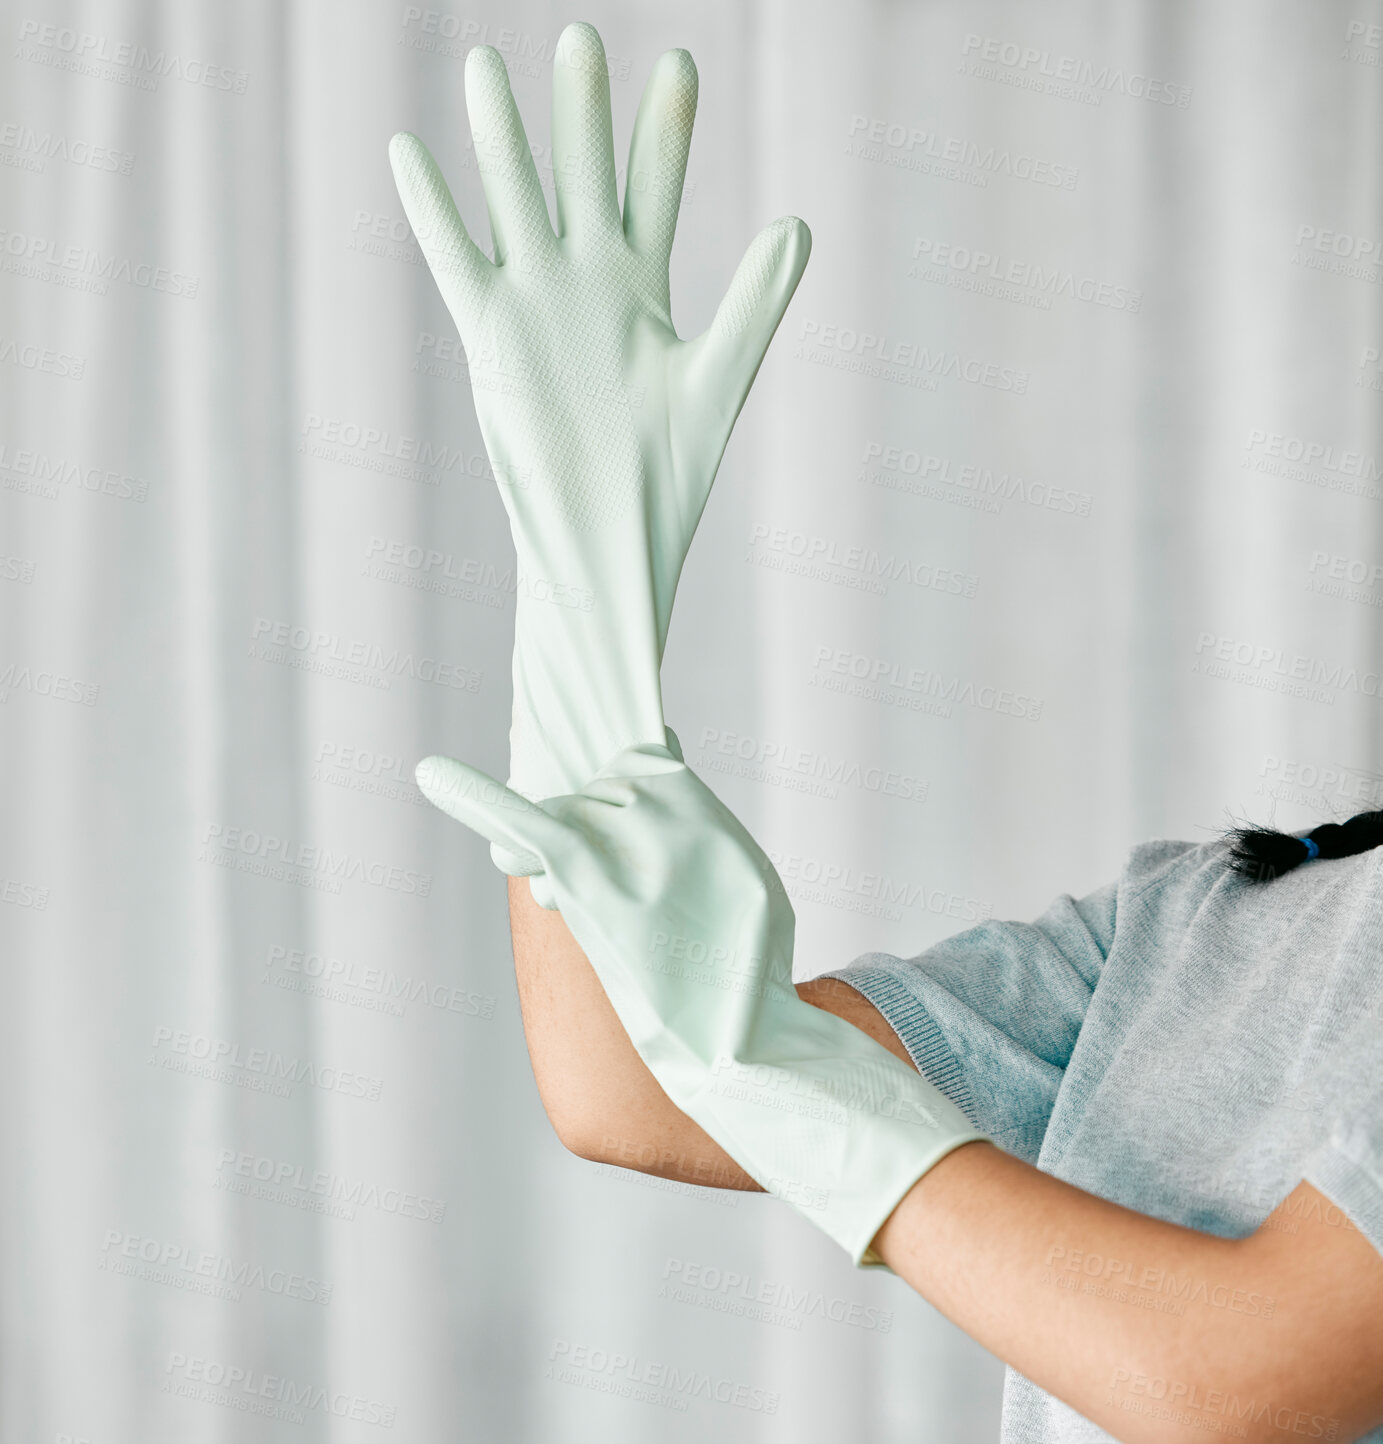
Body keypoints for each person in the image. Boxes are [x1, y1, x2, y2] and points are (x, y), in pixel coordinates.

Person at [391, 22, 1383, 1443]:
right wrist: (583, 606)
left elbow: (1240, 1382)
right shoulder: (1208, 923)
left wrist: (788, 1077)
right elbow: (631, 1084)